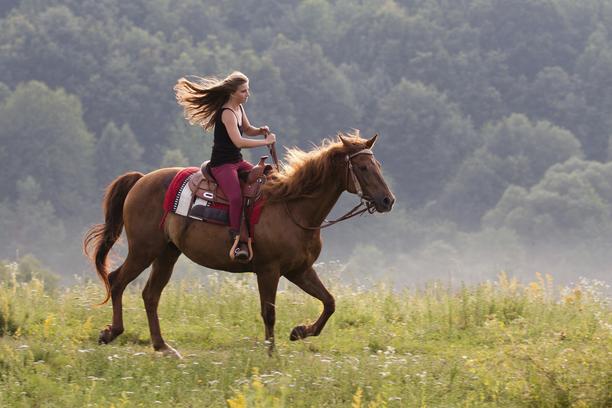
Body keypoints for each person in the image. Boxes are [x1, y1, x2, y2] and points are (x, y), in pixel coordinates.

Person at [174, 71, 276, 260]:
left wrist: (260, 131)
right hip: (222, 165)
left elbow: (246, 129)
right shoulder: (227, 113)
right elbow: (238, 141)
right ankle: (236, 236)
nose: (247, 94)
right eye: (244, 91)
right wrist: (265, 142)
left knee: (264, 179)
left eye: (248, 90)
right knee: (236, 197)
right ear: (232, 92)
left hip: (236, 162)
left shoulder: (239, 108)